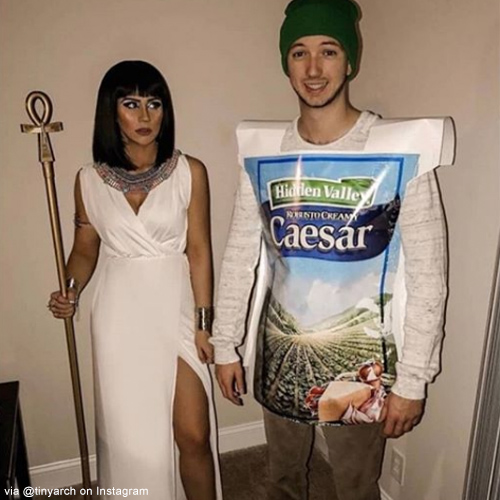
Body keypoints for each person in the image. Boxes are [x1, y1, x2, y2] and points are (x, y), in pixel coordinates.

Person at [212, 1, 447, 499]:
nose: (314, 69)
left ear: (350, 61)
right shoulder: (262, 155)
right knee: (282, 481)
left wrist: (413, 382)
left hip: (366, 366)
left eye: (329, 51)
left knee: (356, 487)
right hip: (278, 352)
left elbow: (430, 279)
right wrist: (225, 344)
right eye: (299, 52)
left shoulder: (400, 151)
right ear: (286, 62)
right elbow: (238, 257)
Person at [48, 60, 222, 500]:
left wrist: (204, 323)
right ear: (111, 111)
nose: (145, 116)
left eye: (154, 104)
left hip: (176, 304)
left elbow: (199, 251)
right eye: (131, 104)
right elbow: (84, 250)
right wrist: (70, 290)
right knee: (134, 441)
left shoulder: (190, 172)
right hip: (119, 314)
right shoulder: (88, 181)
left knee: (194, 434)